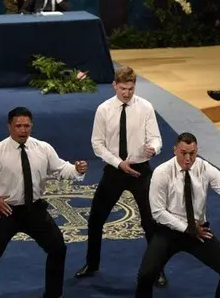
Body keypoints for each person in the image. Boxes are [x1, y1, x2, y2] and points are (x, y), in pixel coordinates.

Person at [0, 107, 88, 298]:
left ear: (32, 126)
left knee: (58, 249)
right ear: (9, 126)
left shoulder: (43, 148)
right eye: (18, 126)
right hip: (7, 212)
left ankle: (54, 295)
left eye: (27, 126)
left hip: (35, 210)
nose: (23, 130)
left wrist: (77, 170)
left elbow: (60, 168)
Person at [135, 132, 220, 298]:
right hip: (168, 232)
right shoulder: (162, 172)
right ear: (175, 150)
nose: (188, 158)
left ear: (197, 151)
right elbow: (158, 212)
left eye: (192, 153)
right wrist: (188, 228)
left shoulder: (204, 168)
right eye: (183, 153)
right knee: (145, 276)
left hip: (199, 231)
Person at [75, 66, 168, 285]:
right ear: (114, 85)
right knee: (96, 218)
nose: (127, 93)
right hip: (115, 171)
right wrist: (118, 163)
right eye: (123, 88)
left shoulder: (145, 107)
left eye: (131, 89)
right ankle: (92, 263)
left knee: (151, 222)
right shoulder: (104, 109)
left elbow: (156, 138)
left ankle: (157, 269)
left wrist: (153, 149)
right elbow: (97, 144)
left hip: (141, 171)